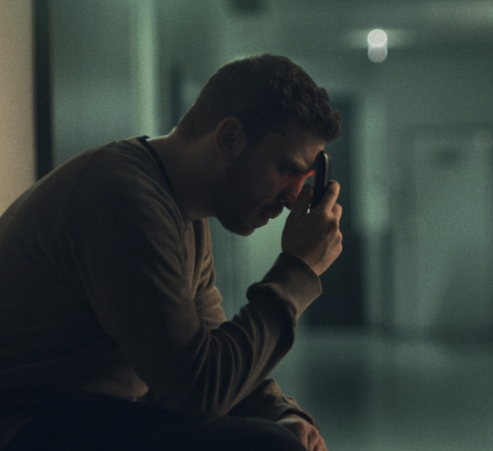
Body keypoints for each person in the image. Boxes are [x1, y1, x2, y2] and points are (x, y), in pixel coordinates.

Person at [0, 54, 342, 451]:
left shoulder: (185, 213)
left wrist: (282, 411)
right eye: (286, 169)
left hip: (87, 413)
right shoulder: (124, 199)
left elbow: (214, 347)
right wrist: (297, 270)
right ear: (229, 139)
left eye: (305, 181)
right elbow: (198, 390)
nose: (291, 198)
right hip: (28, 422)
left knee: (280, 435)